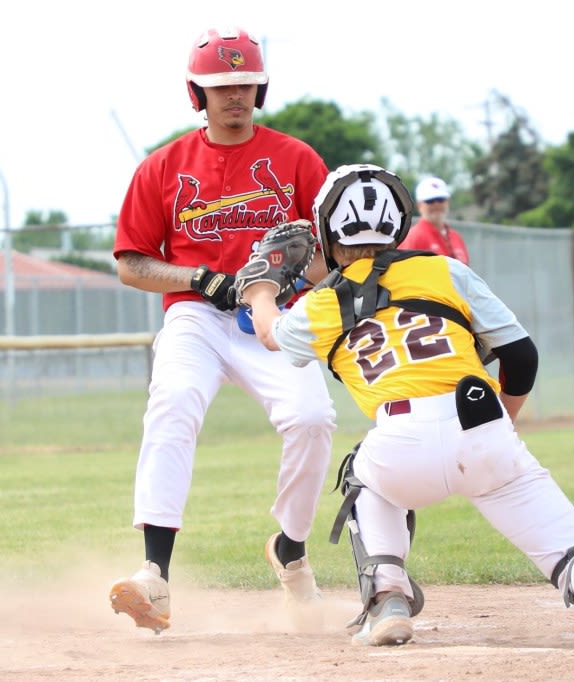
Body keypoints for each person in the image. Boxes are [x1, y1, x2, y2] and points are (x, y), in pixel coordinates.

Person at [236, 164, 574, 649]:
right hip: (480, 423)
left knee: (363, 478)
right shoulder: (444, 269)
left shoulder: (322, 303)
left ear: (325, 231)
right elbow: (521, 355)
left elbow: (269, 334)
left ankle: (387, 599)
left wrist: (259, 286)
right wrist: (503, 421)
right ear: (399, 222)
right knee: (566, 548)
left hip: (398, 441)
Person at [107, 26, 336, 635]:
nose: (234, 95)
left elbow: (331, 256)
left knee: (313, 420)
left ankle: (289, 548)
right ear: (196, 93)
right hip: (196, 316)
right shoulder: (163, 166)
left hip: (276, 316)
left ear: (259, 89)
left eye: (244, 84)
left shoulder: (297, 160)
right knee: (174, 401)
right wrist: (196, 277)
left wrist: (291, 273)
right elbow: (131, 262)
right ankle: (154, 573)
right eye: (219, 86)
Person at [397, 176, 469, 264]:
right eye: (430, 201)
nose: (436, 204)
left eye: (440, 199)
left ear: (448, 201)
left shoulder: (456, 237)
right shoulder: (413, 237)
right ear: (419, 205)